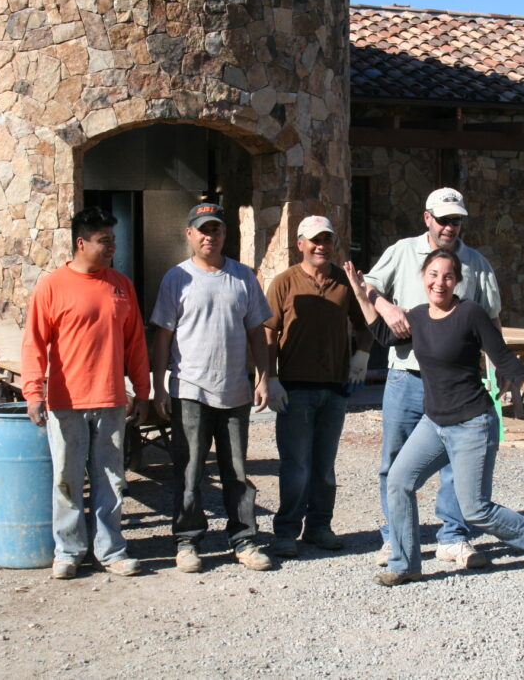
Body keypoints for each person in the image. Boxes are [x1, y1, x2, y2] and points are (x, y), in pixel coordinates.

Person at [346, 251, 524, 586]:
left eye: (448, 276)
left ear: (457, 281)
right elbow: (384, 335)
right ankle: (405, 563)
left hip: (472, 422)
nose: (440, 282)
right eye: (433, 274)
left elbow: (503, 357)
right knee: (398, 481)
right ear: (423, 277)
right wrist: (362, 292)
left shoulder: (470, 314)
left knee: (476, 509)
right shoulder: (419, 317)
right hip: (435, 423)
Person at [362, 187, 502, 569]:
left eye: (456, 220)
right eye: (443, 219)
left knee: (457, 462)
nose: (449, 227)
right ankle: (395, 539)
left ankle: (453, 537)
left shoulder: (475, 263)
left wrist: (495, 372)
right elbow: (367, 286)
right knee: (394, 461)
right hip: (407, 377)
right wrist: (385, 305)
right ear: (427, 218)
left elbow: (491, 320)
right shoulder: (402, 252)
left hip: (457, 383)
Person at [21, 206, 150, 580]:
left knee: (112, 479)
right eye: (103, 240)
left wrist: (141, 392)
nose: (112, 246)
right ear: (81, 243)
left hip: (110, 399)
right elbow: (33, 344)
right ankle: (69, 551)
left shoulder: (121, 285)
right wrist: (33, 392)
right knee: (67, 479)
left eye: (113, 240)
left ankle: (111, 551)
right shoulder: (51, 286)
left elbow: (136, 343)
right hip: (66, 402)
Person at [150, 202, 278, 573]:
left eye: (216, 230)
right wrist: (159, 386)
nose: (210, 236)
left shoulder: (242, 277)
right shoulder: (177, 278)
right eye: (203, 230)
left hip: (234, 390)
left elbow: (258, 331)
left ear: (225, 234)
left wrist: (263, 376)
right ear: (189, 234)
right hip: (190, 390)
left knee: (236, 471)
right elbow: (162, 337)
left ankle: (244, 540)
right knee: (188, 469)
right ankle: (188, 541)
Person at [263, 215, 373, 558]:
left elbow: (366, 321)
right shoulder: (284, 282)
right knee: (296, 466)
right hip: (295, 389)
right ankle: (286, 531)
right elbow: (268, 332)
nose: (321, 245)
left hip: (335, 387)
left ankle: (319, 527)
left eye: (326, 240)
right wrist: (270, 377)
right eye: (314, 240)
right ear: (300, 244)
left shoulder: (345, 282)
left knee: (324, 466)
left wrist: (362, 355)